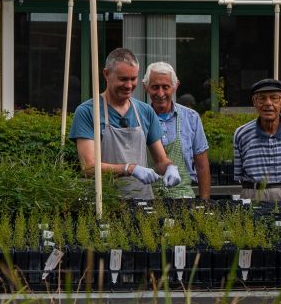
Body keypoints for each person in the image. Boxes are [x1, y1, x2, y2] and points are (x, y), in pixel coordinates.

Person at [69, 48, 181, 200]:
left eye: (133, 79)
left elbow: (160, 160)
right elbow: (89, 167)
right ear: (106, 74)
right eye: (123, 79)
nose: (129, 85)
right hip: (105, 203)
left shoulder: (145, 111)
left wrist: (169, 167)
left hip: (143, 203)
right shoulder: (88, 112)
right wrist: (129, 168)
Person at [233, 78, 281, 202]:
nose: (268, 103)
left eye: (274, 98)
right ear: (254, 102)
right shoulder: (242, 134)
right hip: (252, 195)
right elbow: (238, 174)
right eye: (262, 98)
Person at [143, 62, 211, 199]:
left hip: (184, 198)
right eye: (155, 87)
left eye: (165, 87)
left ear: (175, 86)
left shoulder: (191, 118)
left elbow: (202, 165)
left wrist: (205, 203)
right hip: (146, 198)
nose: (160, 93)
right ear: (146, 87)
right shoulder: (139, 117)